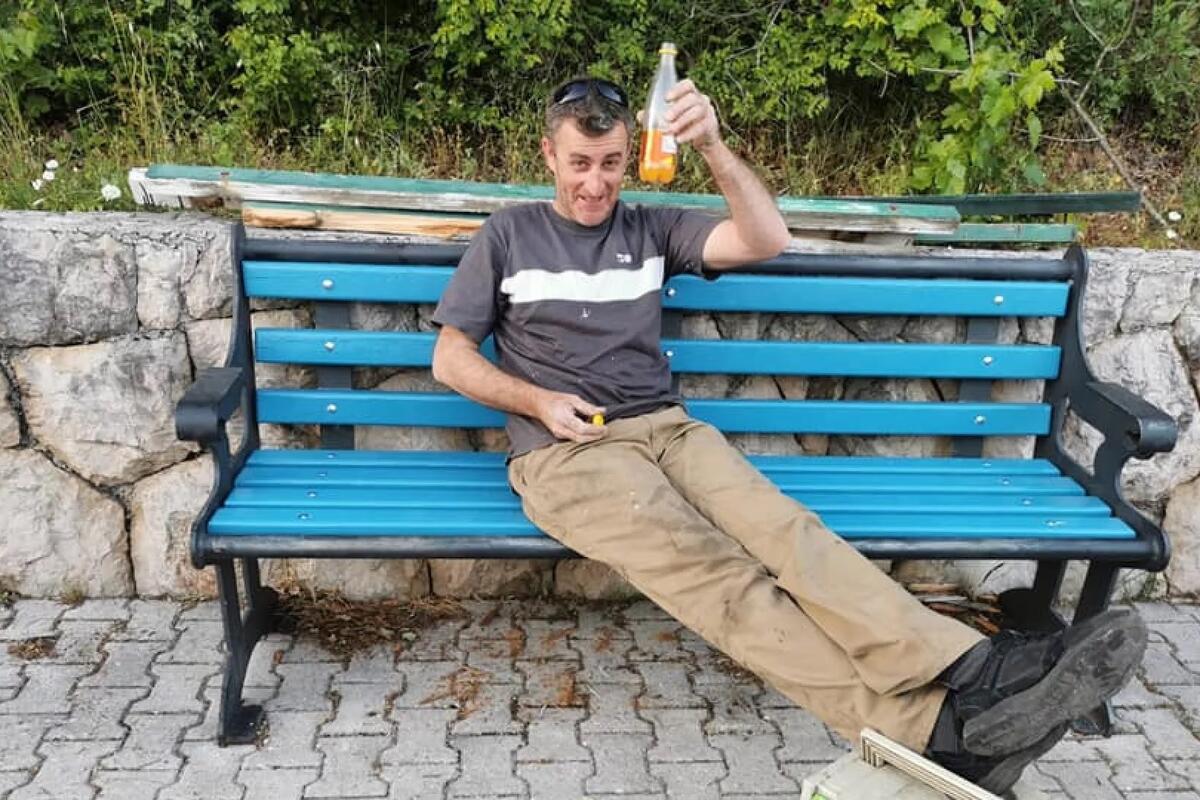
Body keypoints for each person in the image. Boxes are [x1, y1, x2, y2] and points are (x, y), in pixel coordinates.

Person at [430, 75, 1147, 794]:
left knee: (789, 534)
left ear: (629, 158)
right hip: (569, 451)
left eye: (611, 163)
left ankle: (976, 672)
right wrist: (537, 399)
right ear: (548, 156)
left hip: (668, 431)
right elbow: (450, 357)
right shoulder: (509, 235)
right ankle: (937, 732)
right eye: (580, 164)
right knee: (722, 578)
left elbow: (765, 237)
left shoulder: (649, 228)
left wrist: (712, 145)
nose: (595, 184)